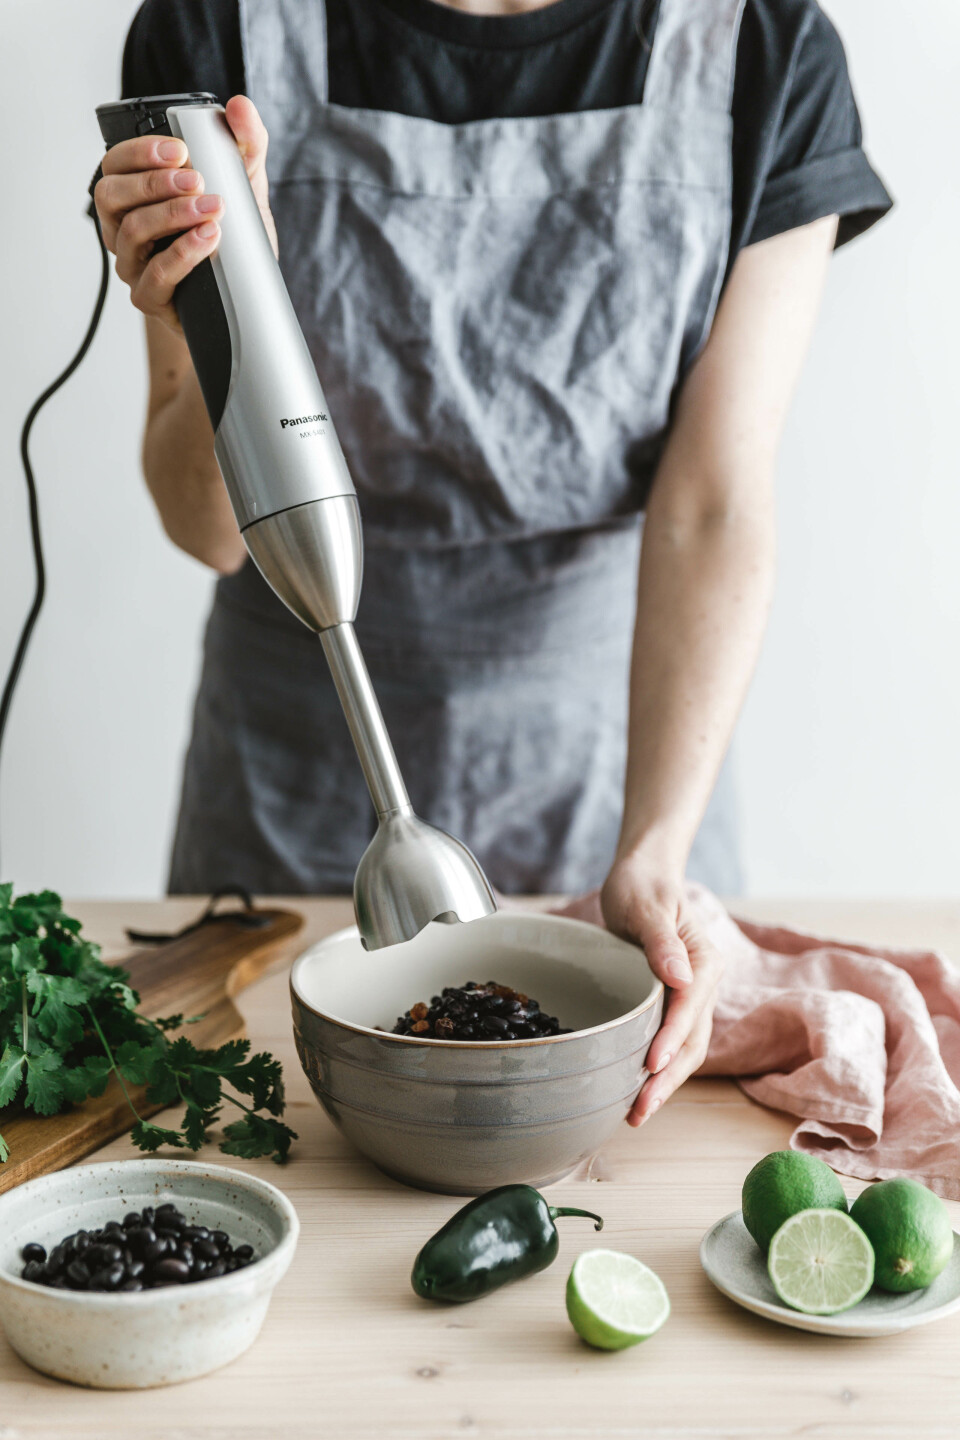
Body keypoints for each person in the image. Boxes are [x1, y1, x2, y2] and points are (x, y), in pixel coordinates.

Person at [95, 0, 891, 1124]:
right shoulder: (215, 25)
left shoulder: (763, 48)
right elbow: (208, 527)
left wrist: (651, 855)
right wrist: (226, 305)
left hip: (613, 784)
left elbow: (711, 505)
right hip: (289, 788)